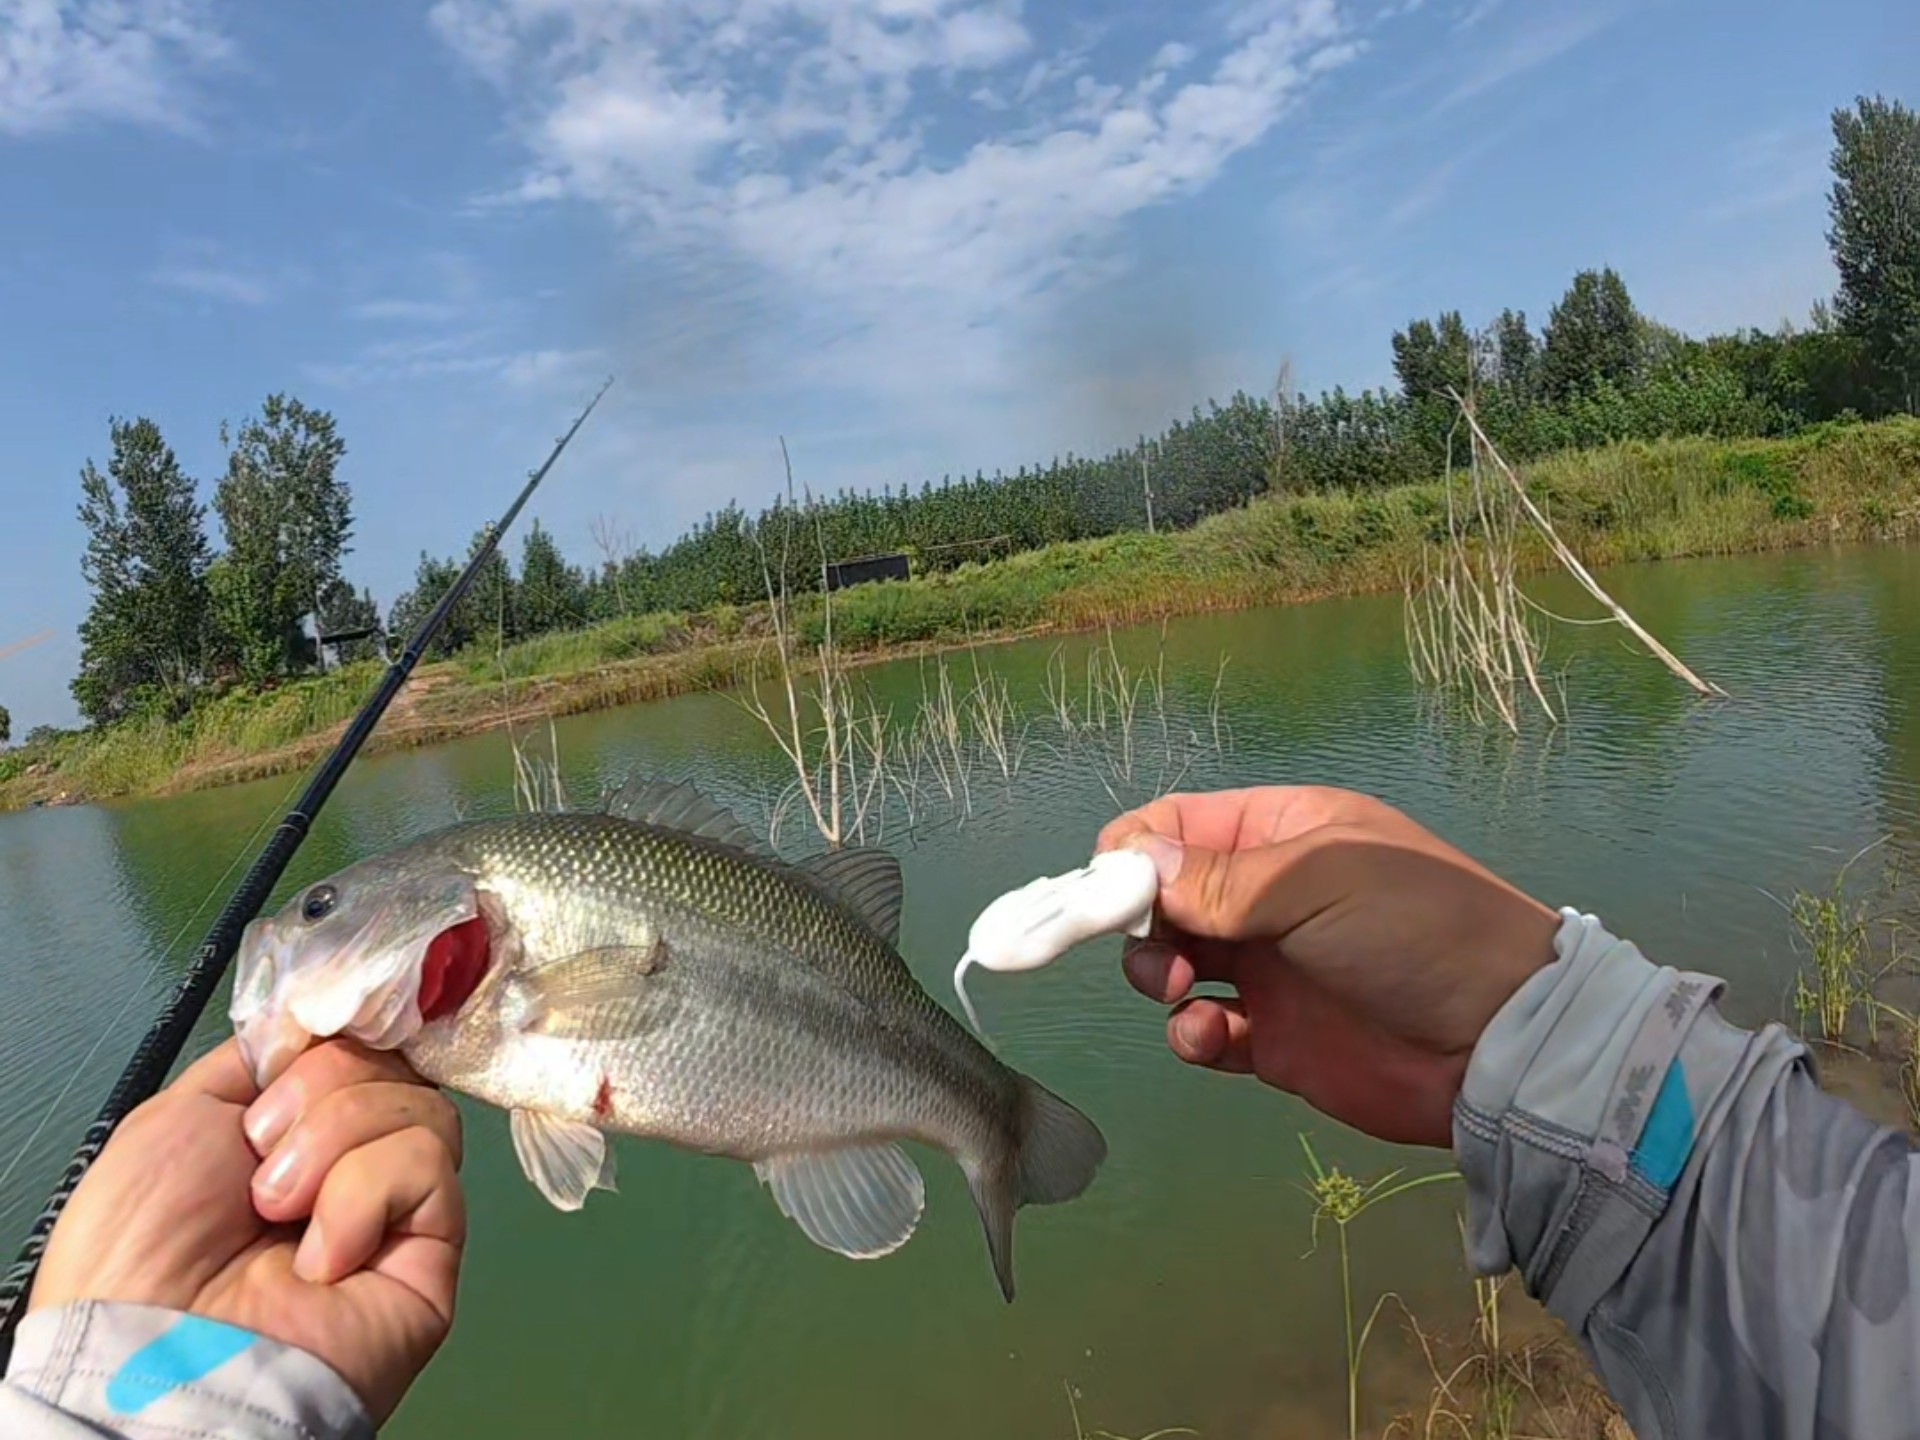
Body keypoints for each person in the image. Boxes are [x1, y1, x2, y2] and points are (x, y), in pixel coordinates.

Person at [3, 785, 1914, 1438]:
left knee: (948, 1092)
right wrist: (1534, 1023)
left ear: (457, 927)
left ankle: (971, 1117)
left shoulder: (521, 936)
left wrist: (107, 1399)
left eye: (328, 913)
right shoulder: (487, 997)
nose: (296, 938)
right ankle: (971, 1120)